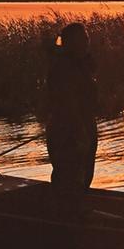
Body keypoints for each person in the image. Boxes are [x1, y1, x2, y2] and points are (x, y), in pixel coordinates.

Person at [46, 22, 99, 217]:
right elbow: (66, 103)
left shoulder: (84, 65)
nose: (87, 42)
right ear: (70, 43)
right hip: (67, 130)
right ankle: (65, 218)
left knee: (84, 175)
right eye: (82, 38)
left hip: (84, 126)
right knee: (69, 176)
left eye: (87, 38)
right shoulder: (63, 68)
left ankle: (75, 213)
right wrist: (79, 131)